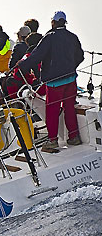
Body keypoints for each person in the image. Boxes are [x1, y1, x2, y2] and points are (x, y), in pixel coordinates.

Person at [18, 11, 84, 149]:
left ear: (53, 22)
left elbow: (36, 56)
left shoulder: (49, 38)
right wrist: (71, 67)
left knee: (52, 112)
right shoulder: (73, 37)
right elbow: (80, 56)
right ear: (64, 22)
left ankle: (52, 140)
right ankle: (74, 137)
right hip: (71, 79)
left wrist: (21, 66)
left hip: (54, 83)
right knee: (69, 108)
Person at [6, 32, 44, 99]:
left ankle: (16, 102)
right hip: (49, 83)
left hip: (37, 88)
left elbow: (18, 74)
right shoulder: (48, 53)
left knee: (10, 81)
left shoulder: (28, 56)